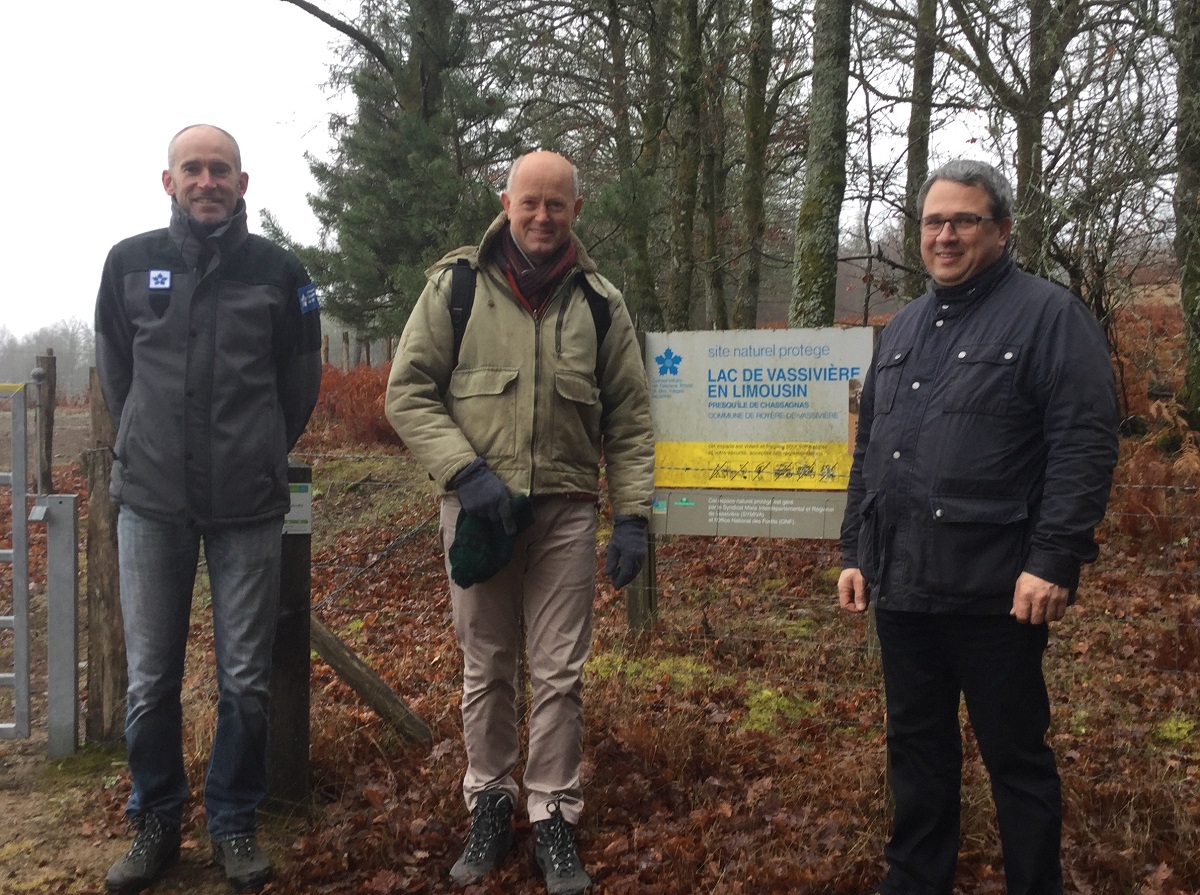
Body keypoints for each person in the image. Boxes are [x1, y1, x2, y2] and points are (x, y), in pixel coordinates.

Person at [837, 159, 1119, 895]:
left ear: (1001, 229)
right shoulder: (900, 328)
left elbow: (1084, 442)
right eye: (934, 221)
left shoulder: (1050, 317)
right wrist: (856, 552)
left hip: (999, 591)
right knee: (916, 756)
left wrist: (1055, 557)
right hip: (904, 591)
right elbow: (870, 451)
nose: (946, 235)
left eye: (964, 220)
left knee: (1017, 760)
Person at [385, 150, 654, 895]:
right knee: (487, 667)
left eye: (556, 205)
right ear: (506, 202)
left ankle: (554, 813)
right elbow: (406, 391)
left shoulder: (601, 303)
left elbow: (630, 418)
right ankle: (490, 800)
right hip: (476, 511)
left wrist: (632, 513)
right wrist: (464, 472)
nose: (542, 216)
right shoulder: (458, 287)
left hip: (567, 510)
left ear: (575, 210)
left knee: (560, 671)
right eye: (529, 203)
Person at [95, 124, 322, 894]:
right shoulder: (128, 264)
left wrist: (256, 448)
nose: (206, 180)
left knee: (245, 679)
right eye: (192, 168)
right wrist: (145, 443)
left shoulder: (279, 271)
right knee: (151, 678)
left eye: (219, 168)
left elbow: (299, 384)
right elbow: (116, 373)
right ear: (169, 181)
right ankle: (156, 818)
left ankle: (233, 821)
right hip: (151, 503)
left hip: (248, 506)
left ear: (242, 182)